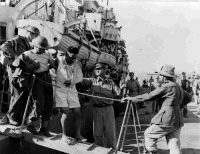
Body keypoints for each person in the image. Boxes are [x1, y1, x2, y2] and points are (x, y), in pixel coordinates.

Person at [122, 64, 192, 154]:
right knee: (174, 145)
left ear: (165, 77)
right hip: (177, 120)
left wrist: (132, 99)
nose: (160, 77)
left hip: (167, 119)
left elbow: (149, 96)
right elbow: (189, 97)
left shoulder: (167, 86)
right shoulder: (177, 86)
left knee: (149, 134)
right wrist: (178, 106)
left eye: (161, 75)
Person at [0, 26, 40, 125]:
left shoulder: (28, 45)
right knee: (16, 93)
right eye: (35, 36)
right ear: (30, 33)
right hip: (14, 71)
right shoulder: (18, 39)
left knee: (23, 94)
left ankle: (18, 118)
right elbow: (4, 46)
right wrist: (14, 56)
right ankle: (11, 116)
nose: (35, 38)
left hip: (22, 72)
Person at [82, 63, 120, 149]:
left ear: (104, 70)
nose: (97, 70)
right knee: (97, 134)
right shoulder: (92, 81)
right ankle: (99, 151)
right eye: (96, 69)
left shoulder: (110, 82)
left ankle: (113, 151)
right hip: (97, 109)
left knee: (110, 134)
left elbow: (118, 93)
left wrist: (117, 82)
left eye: (99, 69)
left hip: (108, 109)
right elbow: (79, 80)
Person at [24, 36, 57, 136]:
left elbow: (54, 66)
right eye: (40, 48)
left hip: (47, 78)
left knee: (49, 104)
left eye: (44, 48)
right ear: (35, 45)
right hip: (36, 79)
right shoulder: (27, 54)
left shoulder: (48, 54)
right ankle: (30, 124)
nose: (42, 50)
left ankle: (44, 128)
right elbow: (23, 67)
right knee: (39, 103)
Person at [55, 46, 86, 143]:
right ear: (66, 54)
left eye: (75, 57)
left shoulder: (76, 64)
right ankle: (64, 135)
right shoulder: (58, 60)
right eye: (72, 57)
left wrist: (72, 82)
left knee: (78, 112)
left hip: (72, 89)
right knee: (66, 112)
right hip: (60, 89)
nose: (73, 59)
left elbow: (80, 78)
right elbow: (51, 73)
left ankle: (78, 134)